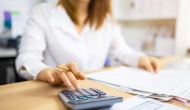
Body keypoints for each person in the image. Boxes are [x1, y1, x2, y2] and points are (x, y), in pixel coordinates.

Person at [16, 0, 160, 90]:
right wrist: (49, 73)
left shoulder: (106, 18)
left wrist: (140, 58)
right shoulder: (43, 12)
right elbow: (27, 58)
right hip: (56, 93)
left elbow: (122, 50)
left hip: (96, 91)